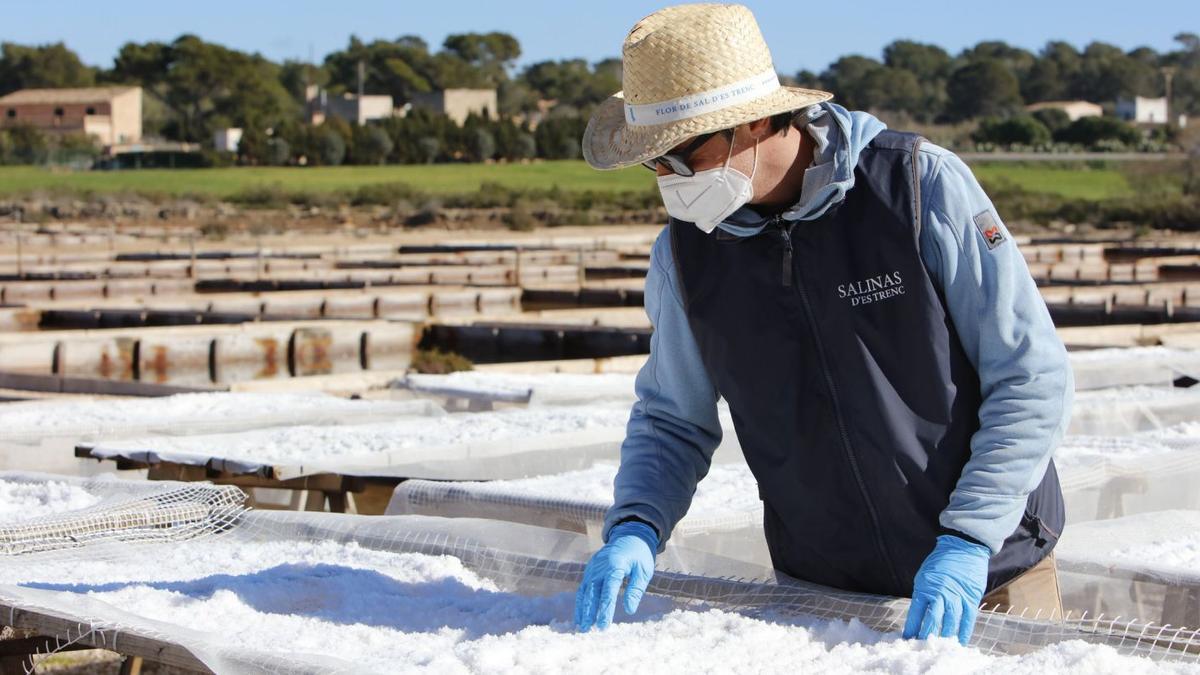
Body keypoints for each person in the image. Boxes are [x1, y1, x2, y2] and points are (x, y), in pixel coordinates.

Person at [572, 3, 1072, 646]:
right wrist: (637, 525)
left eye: (678, 155)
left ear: (749, 121)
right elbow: (673, 416)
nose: (668, 179)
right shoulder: (686, 256)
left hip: (990, 578)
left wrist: (969, 538)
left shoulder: (918, 189)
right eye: (656, 163)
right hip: (821, 601)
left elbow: (1030, 375)